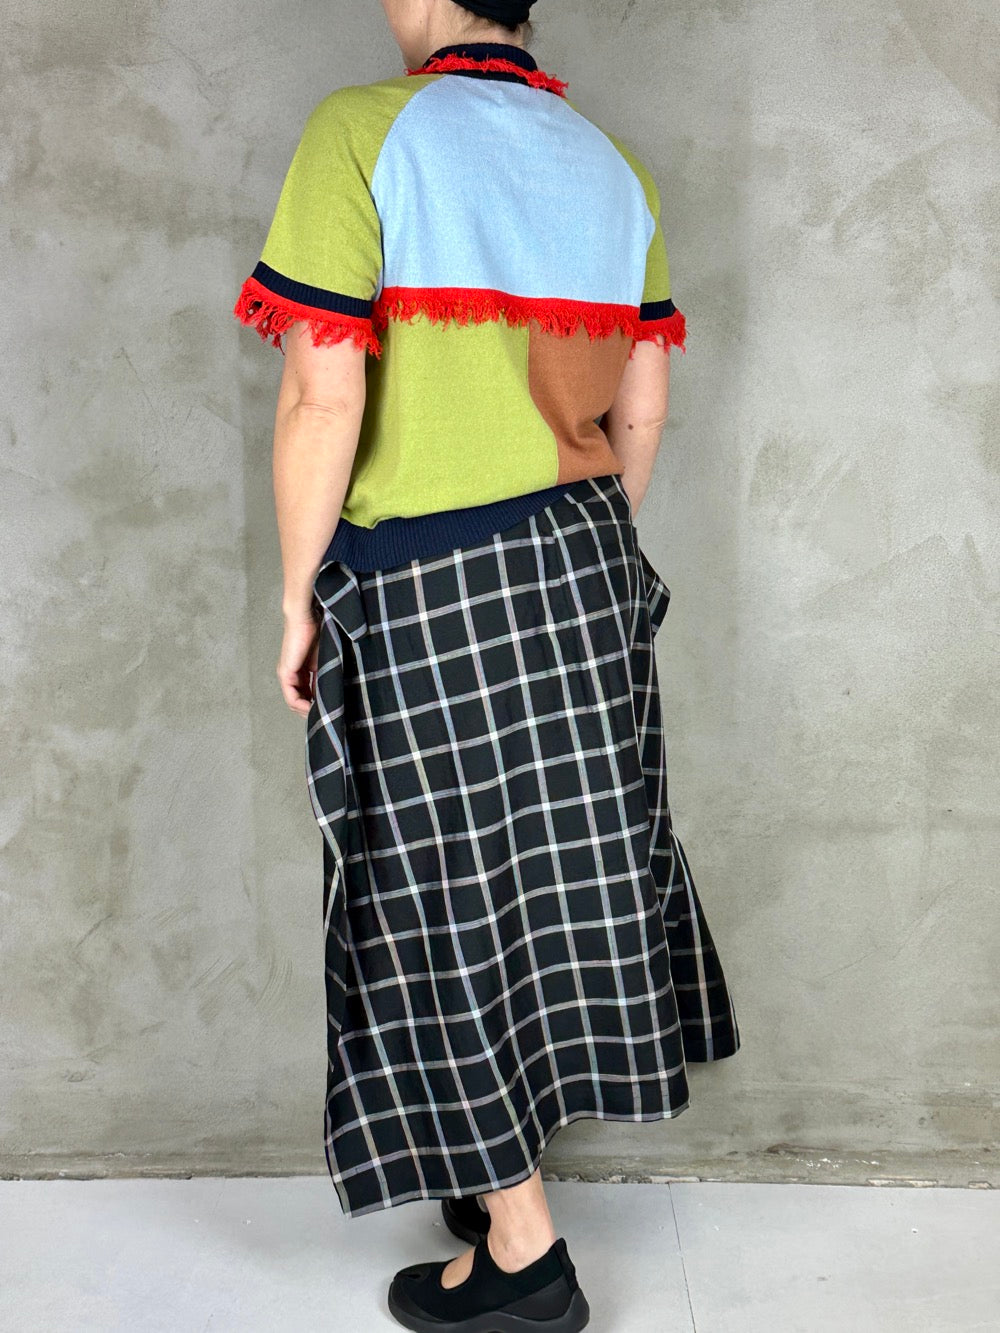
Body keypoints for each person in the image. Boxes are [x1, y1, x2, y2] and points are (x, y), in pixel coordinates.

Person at [233, 1, 741, 1328]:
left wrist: (296, 597)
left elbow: (324, 394)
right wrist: (579, 548)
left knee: (437, 889)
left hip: (429, 570)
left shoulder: (364, 131)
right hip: (585, 553)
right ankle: (494, 1162)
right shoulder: (605, 160)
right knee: (559, 870)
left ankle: (526, 1259)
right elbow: (642, 406)